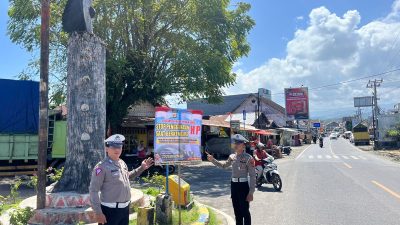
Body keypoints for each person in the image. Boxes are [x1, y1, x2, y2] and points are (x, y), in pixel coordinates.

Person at [89, 134, 154, 225]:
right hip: (110, 211)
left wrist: (142, 168)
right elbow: (93, 190)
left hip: (124, 210)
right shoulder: (101, 167)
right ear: (107, 149)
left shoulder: (122, 163)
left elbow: (128, 176)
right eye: (113, 147)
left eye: (119, 147)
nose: (117, 150)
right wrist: (98, 212)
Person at [206, 134, 256, 225]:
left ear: (243, 145)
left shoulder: (249, 158)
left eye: (238, 143)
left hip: (243, 187)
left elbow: (252, 176)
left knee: (245, 212)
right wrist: (213, 160)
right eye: (234, 143)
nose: (235, 145)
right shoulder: (232, 157)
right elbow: (223, 166)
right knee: (237, 212)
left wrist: (251, 192)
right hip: (234, 186)